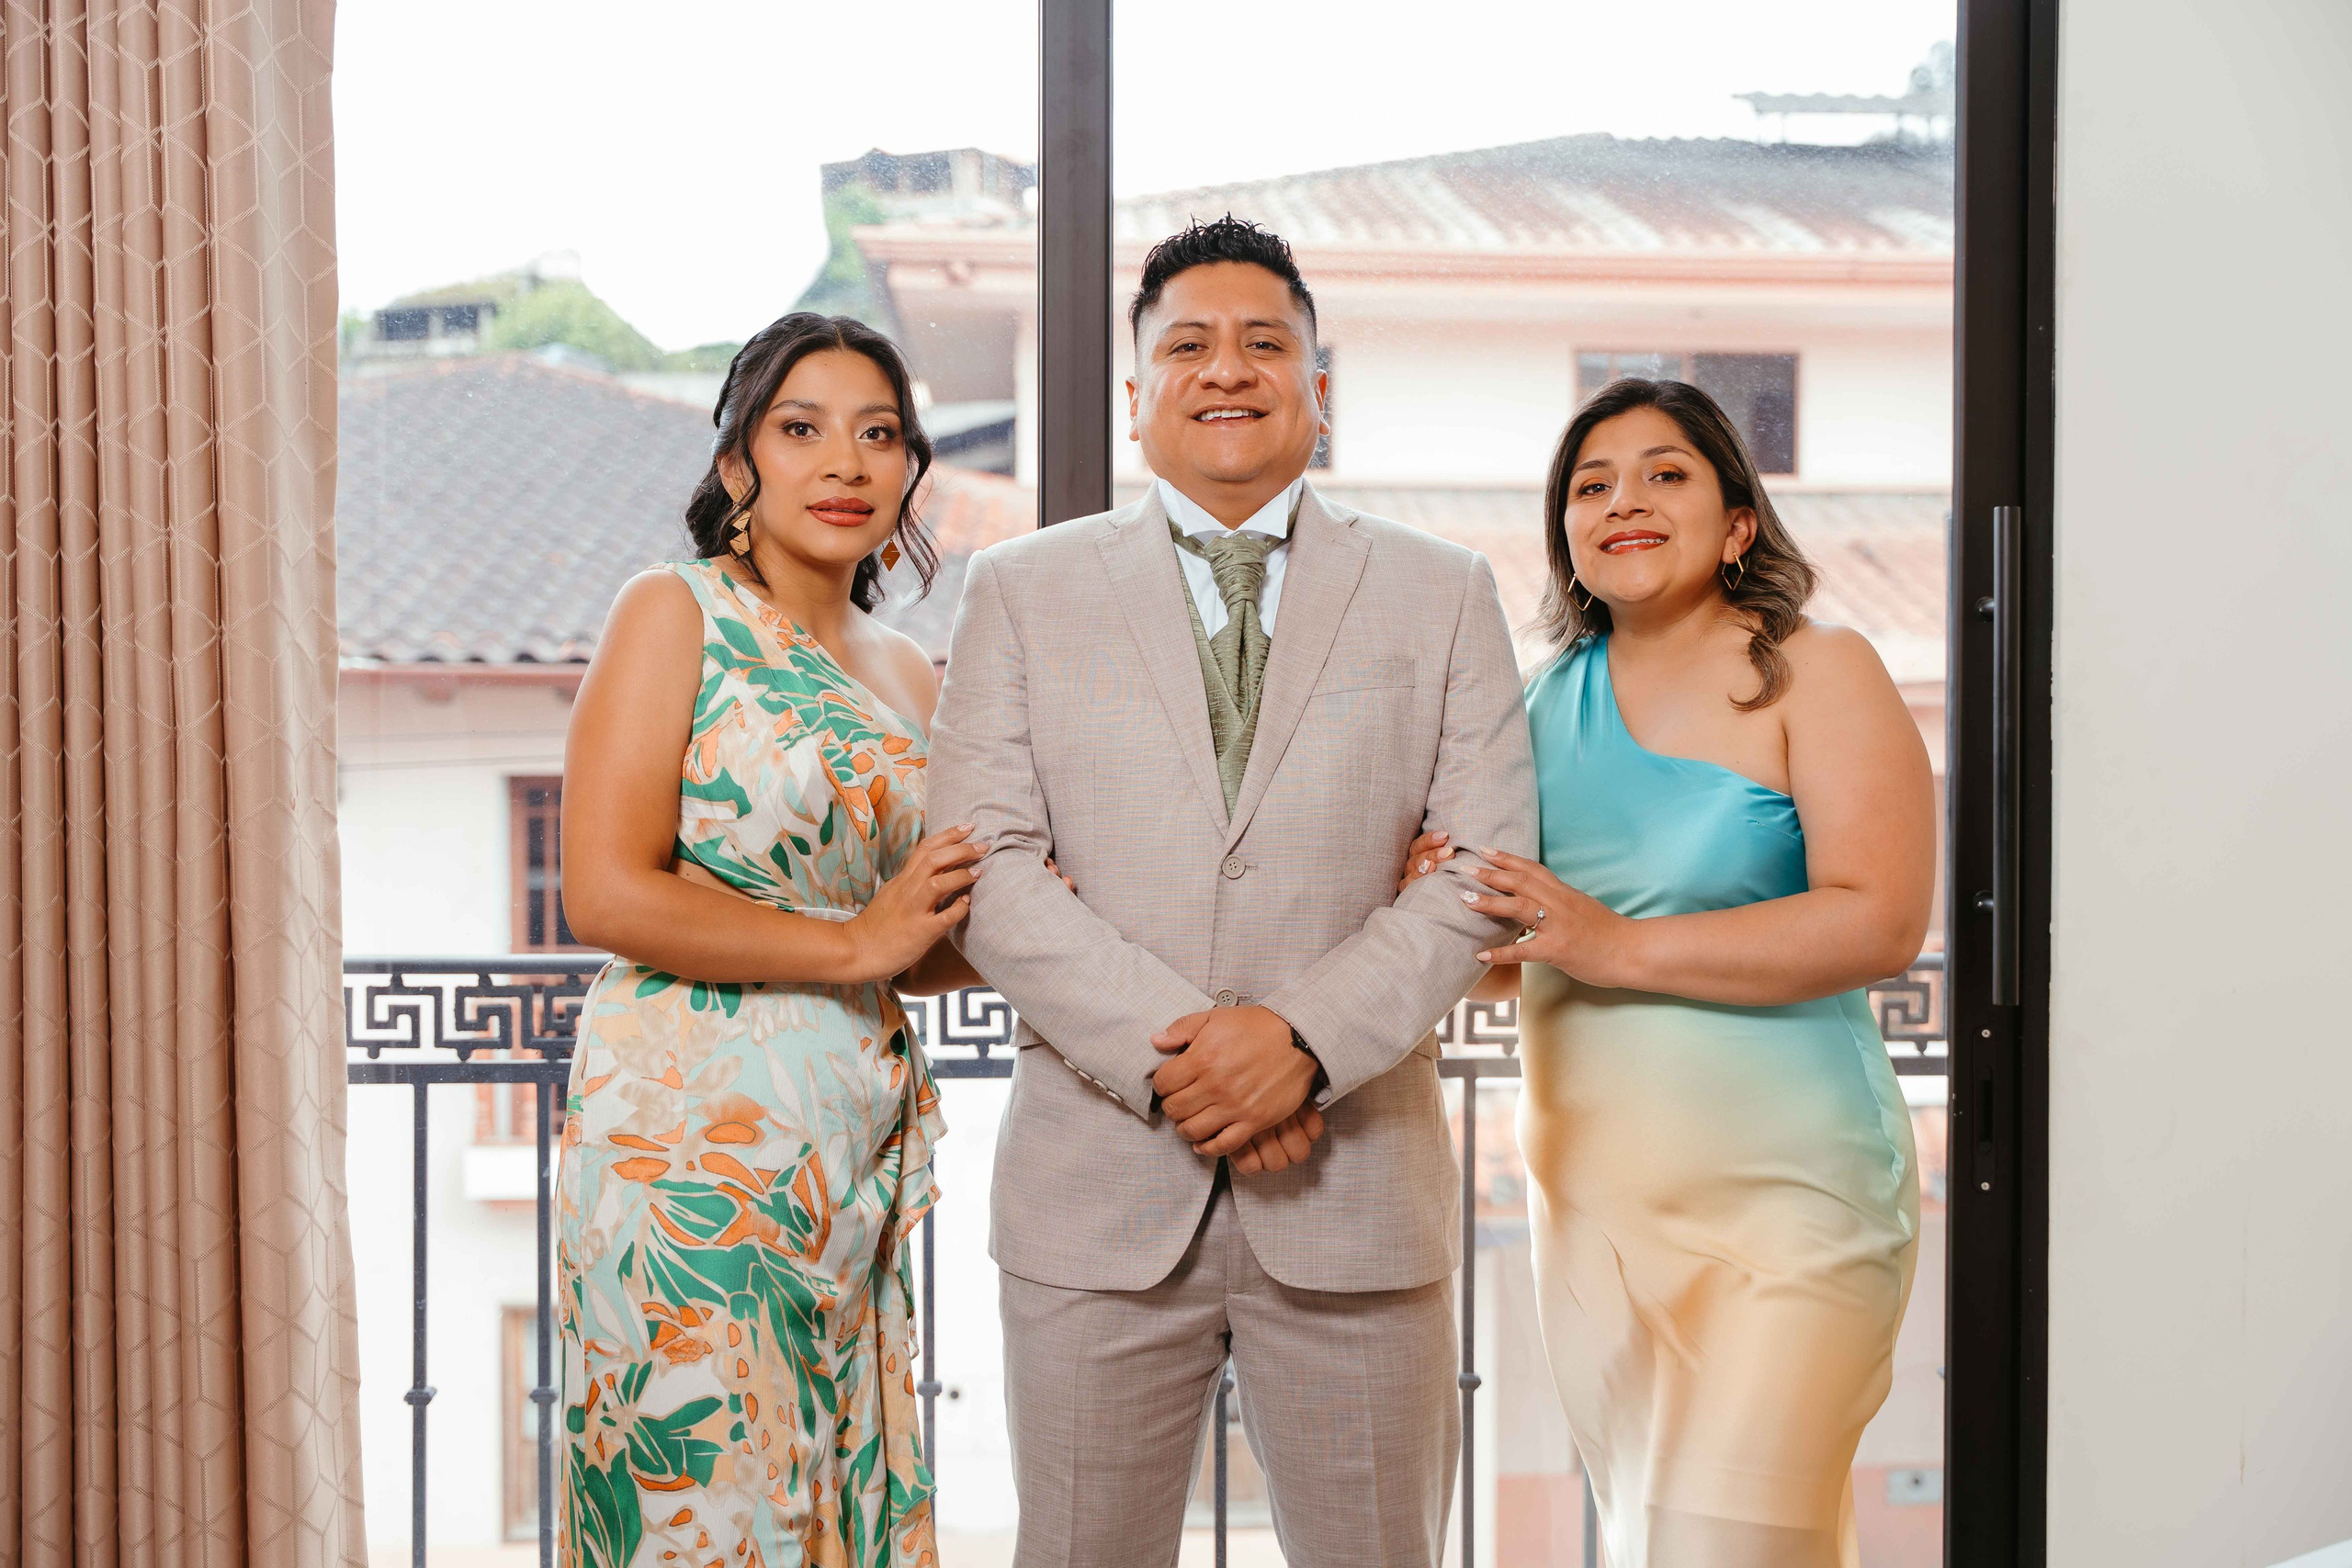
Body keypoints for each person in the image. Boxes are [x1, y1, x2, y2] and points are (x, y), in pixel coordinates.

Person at [927, 217, 1536, 1566]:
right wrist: (1198, 1066)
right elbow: (986, 873)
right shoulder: (1019, 594)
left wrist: (1302, 1047)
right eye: (1188, 344)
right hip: (1094, 1199)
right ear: (1136, 392)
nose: (1229, 369)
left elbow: (1484, 872)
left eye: (1270, 343)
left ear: (1320, 390)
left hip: (1357, 1189)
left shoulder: (1443, 594)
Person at [1402, 378, 1934, 1568]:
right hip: (1599, 1222)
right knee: (1670, 1541)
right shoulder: (1530, 714)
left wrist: (1617, 944)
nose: (1623, 500)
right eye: (1591, 486)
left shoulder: (1818, 670)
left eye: (1664, 474)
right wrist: (1433, 902)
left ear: (1739, 522)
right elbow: (1521, 952)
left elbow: (1881, 920)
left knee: (1720, 1545)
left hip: (1793, 1205)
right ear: (1567, 539)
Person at [552, 313, 980, 1567]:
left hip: (846, 1142)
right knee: (709, 1502)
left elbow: (928, 931)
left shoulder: (910, 673)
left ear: (909, 471)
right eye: (803, 430)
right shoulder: (673, 610)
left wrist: (1039, 904)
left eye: (879, 433)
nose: (845, 462)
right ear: (740, 463)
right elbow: (607, 892)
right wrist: (856, 947)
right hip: (690, 1141)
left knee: (834, 1490)